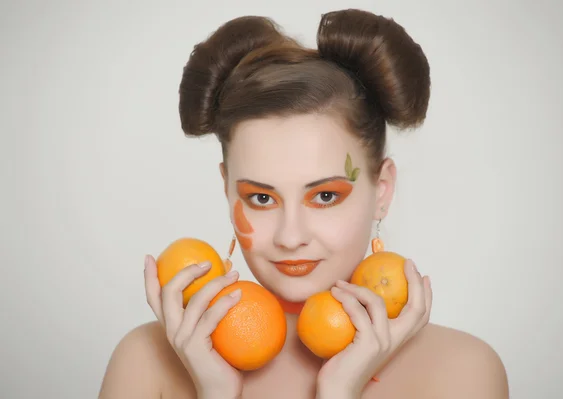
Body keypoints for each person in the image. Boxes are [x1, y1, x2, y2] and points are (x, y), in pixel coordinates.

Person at [99, 8, 509, 399]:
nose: (290, 237)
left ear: (381, 190)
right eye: (261, 198)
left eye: (325, 196)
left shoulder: (461, 371)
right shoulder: (146, 361)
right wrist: (215, 393)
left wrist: (339, 391)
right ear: (227, 190)